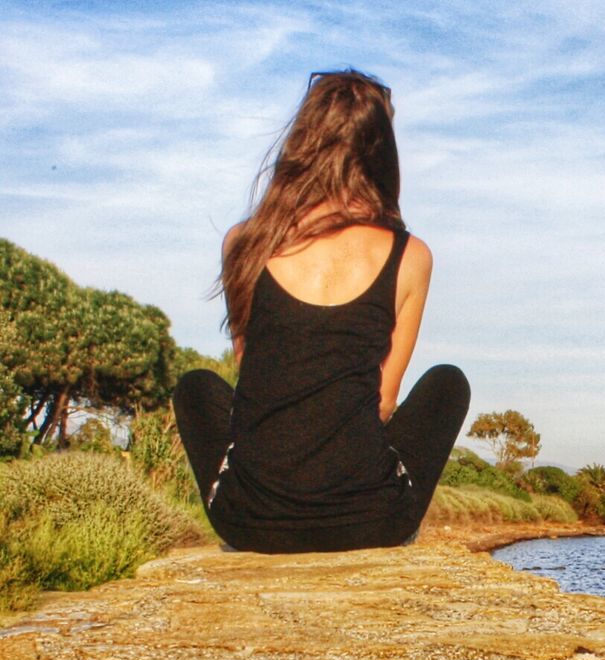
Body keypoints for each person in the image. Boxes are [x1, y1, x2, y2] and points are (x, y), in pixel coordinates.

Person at [173, 69, 470, 553]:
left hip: (250, 522)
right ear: (382, 151)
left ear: (301, 142)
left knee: (195, 388)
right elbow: (383, 402)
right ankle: (365, 502)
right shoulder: (410, 256)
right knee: (447, 384)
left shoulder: (244, 244)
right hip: (372, 521)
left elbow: (254, 378)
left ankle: (272, 504)